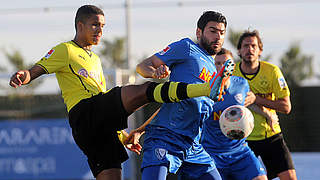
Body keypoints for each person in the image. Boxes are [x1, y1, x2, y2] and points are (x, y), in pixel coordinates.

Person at [8, 5, 228, 180]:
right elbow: (38, 68)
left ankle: (201, 90)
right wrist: (25, 75)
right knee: (145, 90)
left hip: (96, 129)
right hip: (86, 112)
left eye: (102, 26)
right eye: (94, 25)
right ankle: (207, 89)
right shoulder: (66, 49)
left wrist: (123, 135)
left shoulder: (94, 59)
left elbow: (107, 106)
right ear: (80, 25)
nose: (100, 31)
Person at [132, 11, 234, 180]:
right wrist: (155, 73)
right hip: (165, 137)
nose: (218, 36)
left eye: (222, 33)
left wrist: (140, 130)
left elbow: (176, 105)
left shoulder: (213, 70)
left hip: (193, 146)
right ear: (199, 32)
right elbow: (142, 66)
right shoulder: (186, 48)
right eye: (213, 31)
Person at [233, 30, 297, 180]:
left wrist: (257, 99)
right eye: (246, 45)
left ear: (260, 50)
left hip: (271, 136)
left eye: (254, 46)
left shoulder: (272, 71)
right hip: (243, 138)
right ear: (239, 50)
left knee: (290, 177)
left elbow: (286, 107)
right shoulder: (232, 73)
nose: (250, 49)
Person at [201, 48, 268, 180]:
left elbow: (248, 103)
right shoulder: (203, 89)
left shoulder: (241, 84)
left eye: (226, 63)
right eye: (217, 63)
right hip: (212, 154)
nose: (222, 67)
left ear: (233, 66)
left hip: (240, 152)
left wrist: (267, 114)